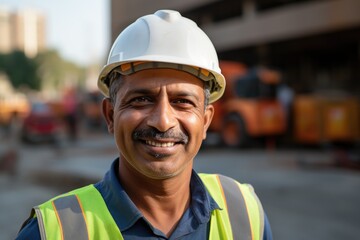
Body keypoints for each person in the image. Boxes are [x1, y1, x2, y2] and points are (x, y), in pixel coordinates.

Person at [16, 10, 272, 240]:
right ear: (110, 116)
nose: (163, 121)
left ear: (205, 121)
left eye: (182, 101)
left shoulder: (244, 213)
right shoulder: (52, 232)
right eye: (141, 100)